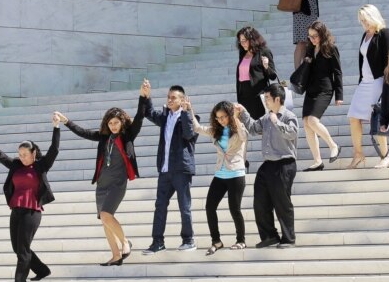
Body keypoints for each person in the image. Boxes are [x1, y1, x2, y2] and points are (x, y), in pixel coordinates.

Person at [0, 118, 60, 282]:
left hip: (32, 211)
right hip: (16, 210)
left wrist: (56, 127)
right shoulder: (16, 165)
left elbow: (54, 150)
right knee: (17, 248)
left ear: (33, 153)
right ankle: (42, 270)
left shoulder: (41, 166)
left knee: (23, 249)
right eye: (20, 154)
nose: (22, 157)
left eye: (25, 154)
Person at [58, 106, 143, 264]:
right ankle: (116, 255)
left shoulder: (127, 136)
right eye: (110, 123)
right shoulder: (104, 137)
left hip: (117, 183)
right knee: (105, 221)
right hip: (102, 184)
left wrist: (144, 98)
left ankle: (125, 242)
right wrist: (66, 122)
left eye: (116, 122)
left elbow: (139, 119)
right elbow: (84, 132)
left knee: (106, 215)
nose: (113, 126)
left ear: (122, 123)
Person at [139, 80, 199, 254]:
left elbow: (189, 135)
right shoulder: (166, 117)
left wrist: (187, 112)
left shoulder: (189, 117)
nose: (170, 100)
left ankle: (188, 240)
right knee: (160, 206)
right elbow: (148, 112)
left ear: (182, 100)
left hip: (181, 169)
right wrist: (146, 95)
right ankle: (158, 242)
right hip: (165, 171)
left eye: (173, 98)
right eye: (168, 97)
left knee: (184, 206)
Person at [239, 83, 301, 249]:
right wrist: (243, 113)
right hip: (268, 165)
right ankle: (269, 236)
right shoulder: (266, 117)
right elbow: (252, 129)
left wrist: (277, 122)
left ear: (277, 99)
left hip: (284, 163)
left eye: (267, 98)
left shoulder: (289, 116)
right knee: (260, 201)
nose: (265, 101)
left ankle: (288, 239)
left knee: (282, 202)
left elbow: (292, 133)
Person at [191, 100, 249, 254]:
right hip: (220, 174)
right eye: (218, 117)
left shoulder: (238, 128)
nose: (221, 120)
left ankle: (241, 240)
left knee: (234, 209)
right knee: (210, 207)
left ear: (230, 114)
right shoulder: (216, 130)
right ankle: (216, 241)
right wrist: (189, 109)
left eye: (224, 116)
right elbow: (197, 128)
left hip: (236, 173)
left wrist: (236, 118)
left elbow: (244, 136)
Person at [346, 4, 389, 169]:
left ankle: (385, 155)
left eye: (365, 19)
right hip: (365, 82)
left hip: (378, 81)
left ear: (373, 16)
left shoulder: (384, 33)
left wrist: (387, 85)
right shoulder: (364, 35)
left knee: (377, 118)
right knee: (353, 117)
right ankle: (358, 154)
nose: (363, 23)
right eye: (361, 21)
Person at [300, 21, 343, 171]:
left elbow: (337, 72)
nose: (312, 39)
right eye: (310, 36)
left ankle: (333, 145)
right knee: (306, 123)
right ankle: (317, 161)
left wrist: (339, 94)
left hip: (325, 89)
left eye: (315, 36)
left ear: (322, 34)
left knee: (312, 120)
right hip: (310, 90)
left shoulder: (331, 49)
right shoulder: (310, 49)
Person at [236, 26, 277, 119]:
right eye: (240, 41)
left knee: (261, 126)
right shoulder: (242, 53)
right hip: (244, 95)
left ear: (252, 39)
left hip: (258, 95)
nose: (242, 43)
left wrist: (266, 66)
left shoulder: (264, 51)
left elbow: (273, 76)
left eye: (245, 40)